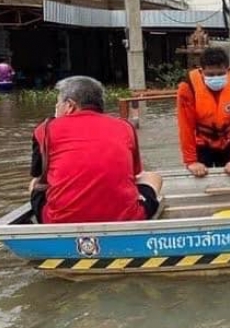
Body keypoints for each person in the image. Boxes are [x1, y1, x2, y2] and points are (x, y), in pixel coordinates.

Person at [29, 76, 163, 224]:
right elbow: (134, 173)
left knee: (35, 183)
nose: (56, 107)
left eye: (58, 103)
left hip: (60, 221)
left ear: (69, 105)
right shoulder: (124, 127)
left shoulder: (45, 129)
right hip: (127, 218)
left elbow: (38, 174)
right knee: (152, 177)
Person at [177, 46, 230, 177]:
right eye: (210, 75)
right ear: (201, 71)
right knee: (199, 178)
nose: (215, 77)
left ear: (228, 71)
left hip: (229, 141)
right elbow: (185, 126)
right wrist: (191, 161)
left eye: (220, 74)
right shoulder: (187, 87)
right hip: (202, 142)